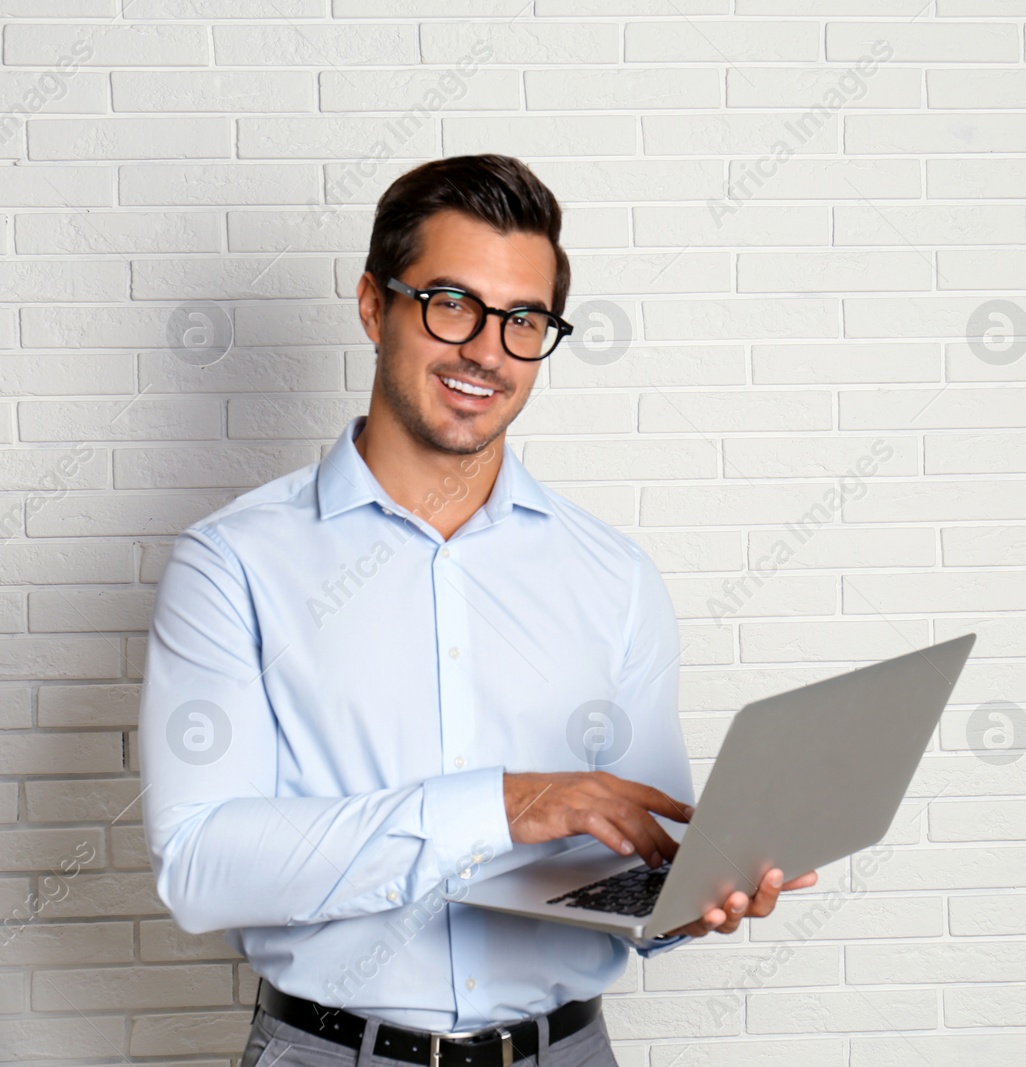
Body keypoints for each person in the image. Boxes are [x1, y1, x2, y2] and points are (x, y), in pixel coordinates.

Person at [137, 154, 816, 1067]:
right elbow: (201, 865)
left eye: (523, 319)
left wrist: (692, 896)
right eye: (452, 303)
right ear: (376, 304)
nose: (487, 351)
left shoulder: (611, 575)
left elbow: (633, 858)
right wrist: (502, 805)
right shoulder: (234, 563)